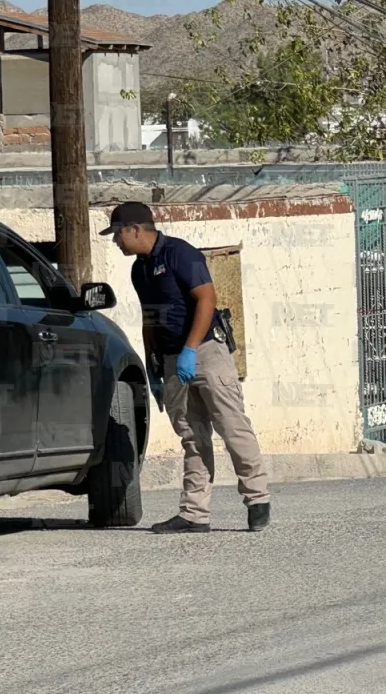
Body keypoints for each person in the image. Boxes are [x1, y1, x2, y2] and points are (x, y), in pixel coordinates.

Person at [100, 202, 271, 533]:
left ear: (136, 229)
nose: (116, 241)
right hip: (171, 361)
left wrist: (190, 350)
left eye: (118, 234)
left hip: (206, 352)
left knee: (233, 427)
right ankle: (194, 513)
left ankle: (258, 498)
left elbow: (206, 299)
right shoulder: (139, 270)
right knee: (193, 438)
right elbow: (150, 318)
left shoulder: (181, 253)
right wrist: (153, 365)